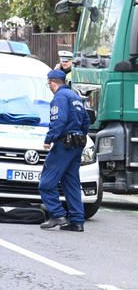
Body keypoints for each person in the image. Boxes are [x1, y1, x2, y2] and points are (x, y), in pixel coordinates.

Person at [39, 69, 90, 232]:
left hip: (64, 144)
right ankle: (77, 221)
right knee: (71, 183)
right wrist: (80, 136)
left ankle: (57, 215)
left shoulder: (59, 97)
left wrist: (49, 139)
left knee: (46, 183)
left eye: (49, 84)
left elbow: (58, 120)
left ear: (52, 83)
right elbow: (86, 120)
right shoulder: (75, 97)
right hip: (77, 144)